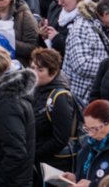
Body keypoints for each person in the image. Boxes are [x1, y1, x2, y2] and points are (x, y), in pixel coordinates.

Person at [64, 0, 109, 107]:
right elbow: (82, 65)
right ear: (106, 14)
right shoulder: (81, 29)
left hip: (100, 97)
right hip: (80, 100)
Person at [29, 48, 79, 176]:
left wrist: (33, 154)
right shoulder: (37, 89)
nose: (34, 73)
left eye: (40, 70)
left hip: (54, 164)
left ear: (54, 72)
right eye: (33, 68)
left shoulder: (60, 97)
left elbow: (60, 139)